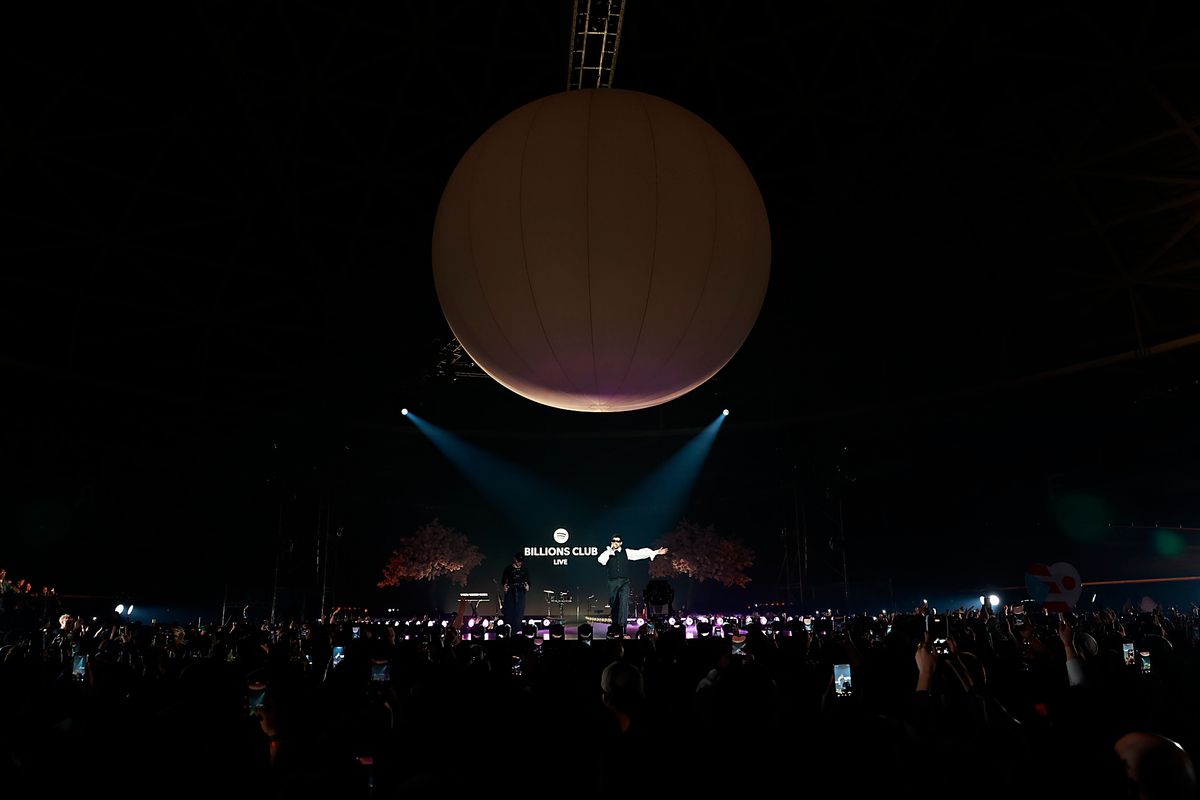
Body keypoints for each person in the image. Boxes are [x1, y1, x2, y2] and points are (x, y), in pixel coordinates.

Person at [597, 536, 667, 638]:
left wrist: (655, 552)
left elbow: (640, 553)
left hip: (624, 582)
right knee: (614, 605)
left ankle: (623, 631)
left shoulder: (626, 552)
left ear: (621, 543)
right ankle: (616, 629)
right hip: (613, 582)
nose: (616, 543)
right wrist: (610, 551)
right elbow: (601, 560)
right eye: (614, 541)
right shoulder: (608, 553)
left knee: (624, 606)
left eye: (618, 541)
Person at [500, 553, 530, 631]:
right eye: (518, 561)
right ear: (515, 559)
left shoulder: (525, 570)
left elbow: (528, 581)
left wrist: (527, 585)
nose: (520, 563)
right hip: (510, 592)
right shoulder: (508, 569)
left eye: (521, 562)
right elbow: (503, 580)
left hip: (520, 592)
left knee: (519, 613)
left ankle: (517, 629)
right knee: (509, 612)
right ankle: (509, 630)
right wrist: (505, 585)